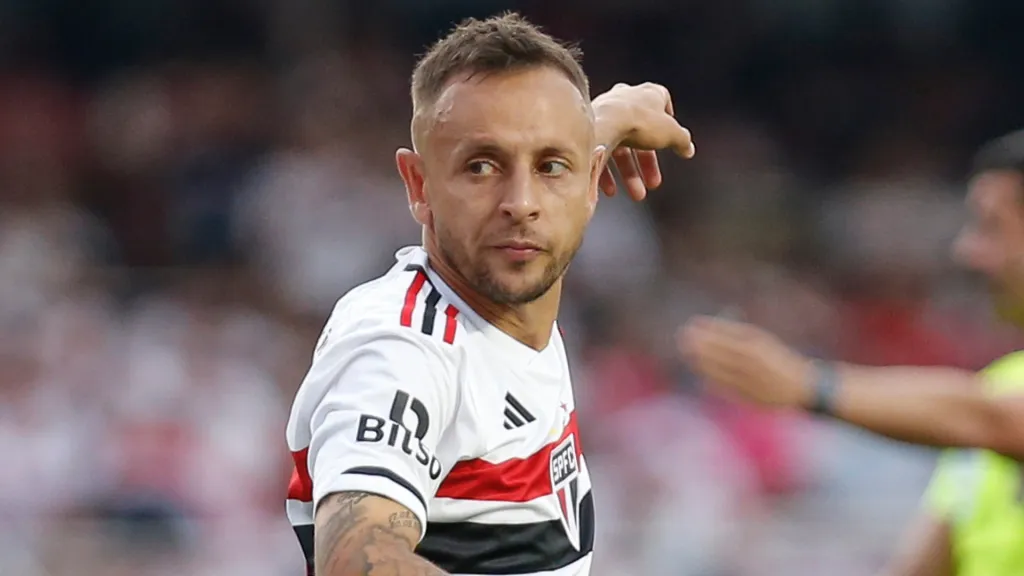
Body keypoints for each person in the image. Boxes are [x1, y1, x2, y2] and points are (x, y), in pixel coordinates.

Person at [284, 13, 695, 576]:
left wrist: (613, 114)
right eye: (481, 167)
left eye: (552, 166)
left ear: (589, 177)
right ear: (419, 186)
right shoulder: (403, 348)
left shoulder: (508, 303)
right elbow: (356, 559)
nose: (521, 202)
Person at [679, 129, 1024, 576]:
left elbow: (996, 422)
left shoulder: (984, 409)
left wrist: (809, 384)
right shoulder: (997, 385)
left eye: (991, 227)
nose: (967, 251)